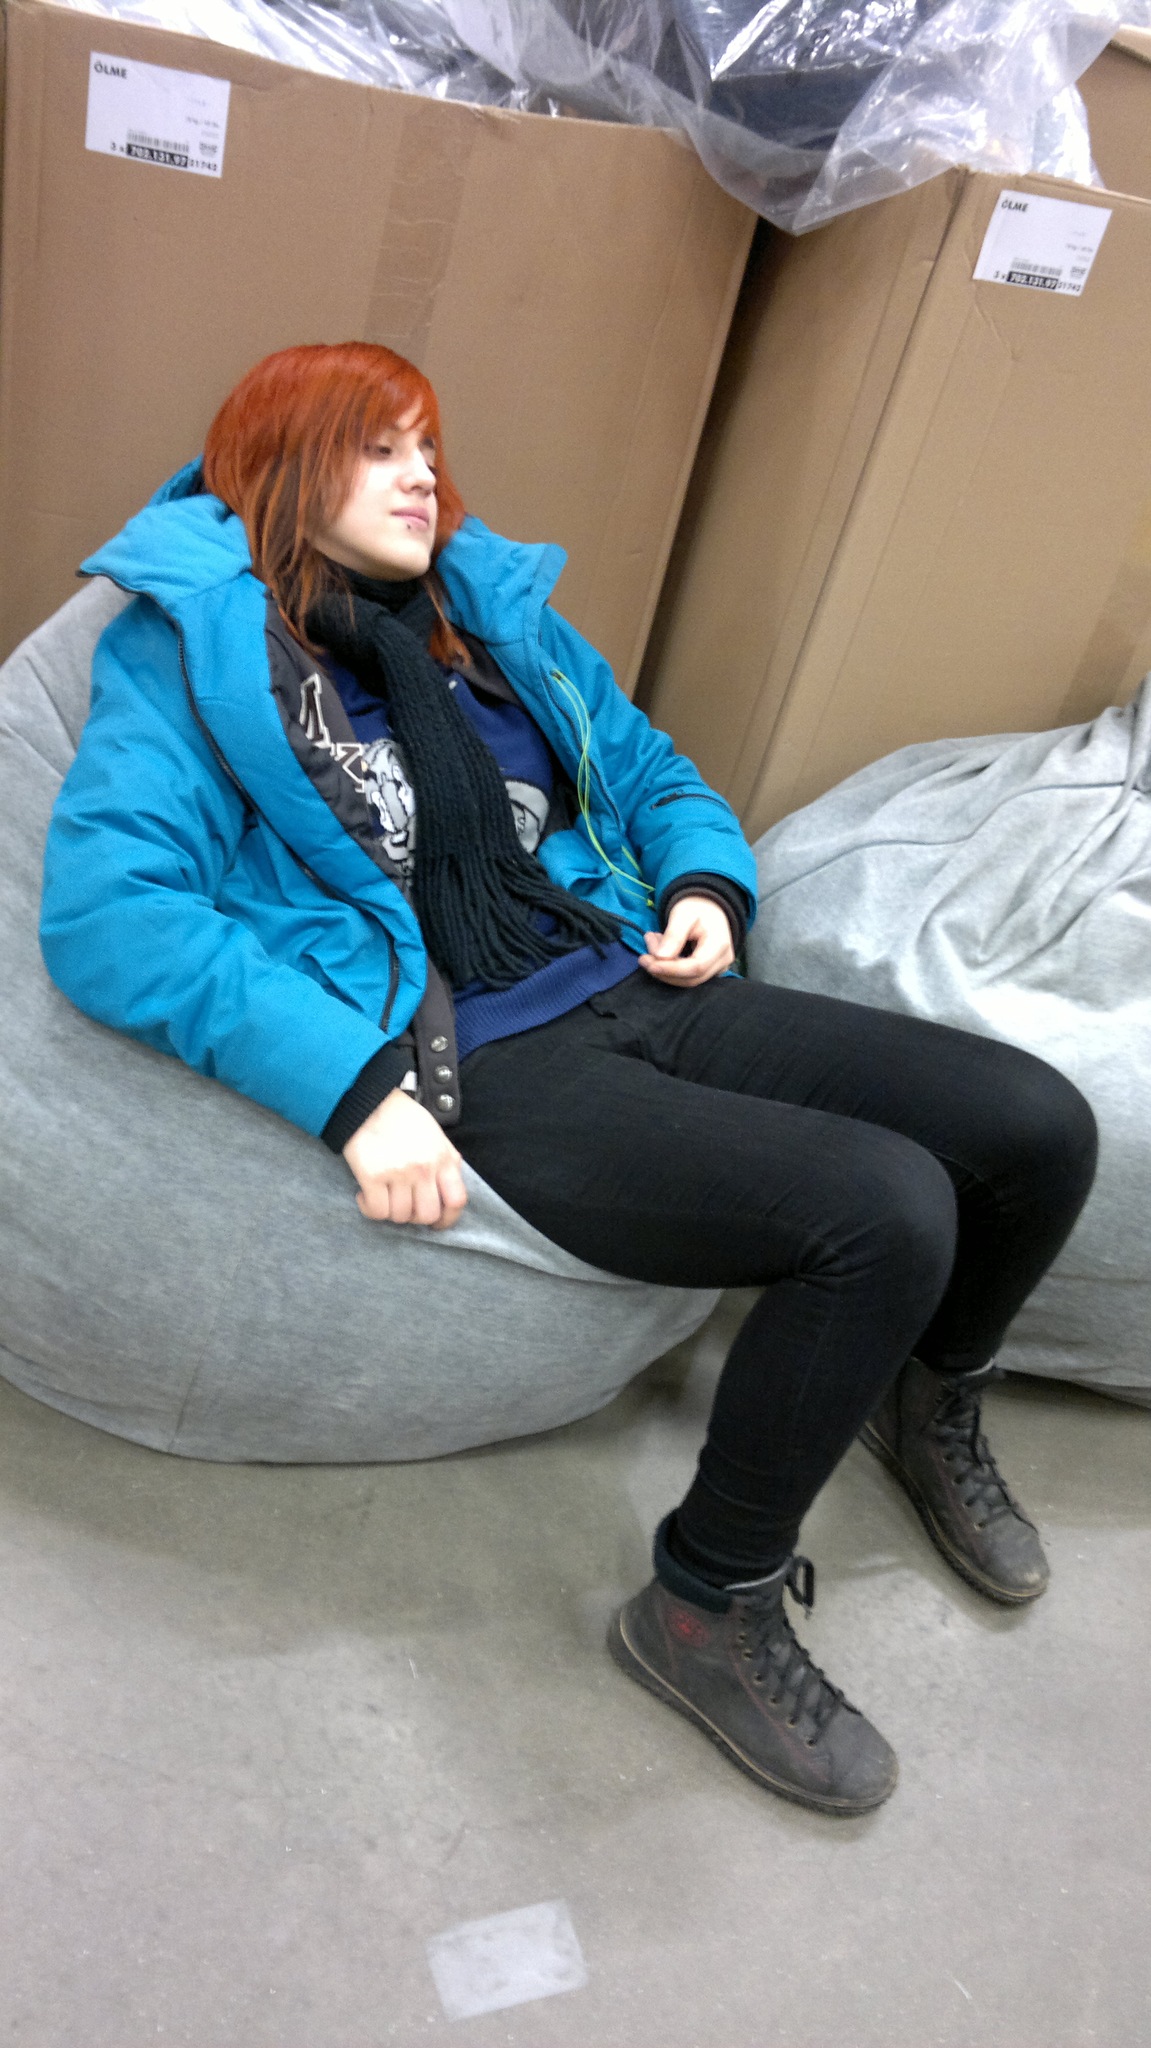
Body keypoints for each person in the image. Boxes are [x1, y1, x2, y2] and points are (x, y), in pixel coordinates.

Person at [40, 342, 1098, 1818]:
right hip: (484, 1054)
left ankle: (926, 1400)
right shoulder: (196, 650)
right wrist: (351, 1090)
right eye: (377, 447)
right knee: (886, 1211)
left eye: (429, 445)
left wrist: (708, 883)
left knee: (1038, 1124)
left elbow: (651, 769)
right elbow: (113, 912)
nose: (423, 475)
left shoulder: (487, 621)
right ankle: (704, 1607)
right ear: (279, 465)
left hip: (631, 973)